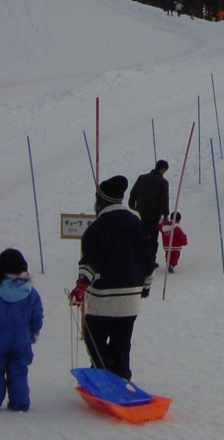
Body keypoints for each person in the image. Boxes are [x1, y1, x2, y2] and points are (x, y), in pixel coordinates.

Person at [68, 175, 157, 381]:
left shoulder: (96, 230)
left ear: (101, 202)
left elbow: (90, 262)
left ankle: (104, 374)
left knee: (94, 339)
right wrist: (145, 287)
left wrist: (81, 286)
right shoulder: (138, 227)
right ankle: (122, 379)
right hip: (131, 302)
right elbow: (148, 261)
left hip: (102, 300)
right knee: (122, 344)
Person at [0, 249, 44, 412]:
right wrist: (33, 332)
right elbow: (37, 315)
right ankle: (20, 402)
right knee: (19, 370)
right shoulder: (30, 292)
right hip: (21, 339)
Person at [128, 159, 170, 251]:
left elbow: (133, 193)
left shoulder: (142, 178)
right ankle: (150, 260)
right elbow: (164, 199)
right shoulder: (163, 182)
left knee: (139, 236)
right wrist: (166, 214)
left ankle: (139, 258)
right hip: (154, 216)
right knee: (152, 239)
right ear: (163, 169)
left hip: (140, 213)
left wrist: (131, 205)